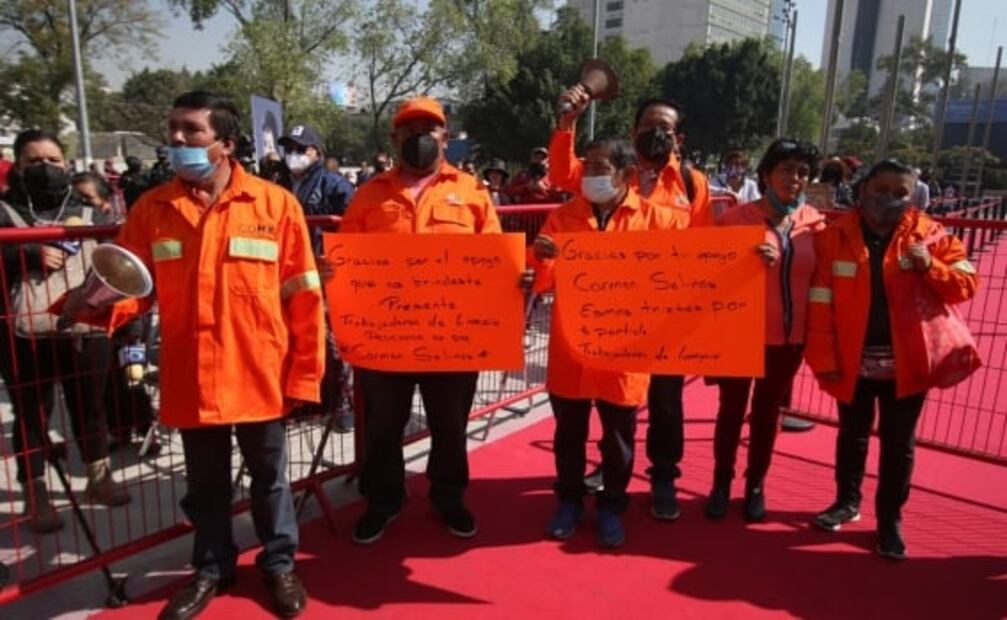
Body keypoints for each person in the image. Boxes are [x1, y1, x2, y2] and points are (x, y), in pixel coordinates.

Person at [62, 91, 324, 618]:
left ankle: (278, 565)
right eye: (173, 129)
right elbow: (130, 285)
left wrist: (304, 377)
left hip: (259, 376)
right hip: (191, 376)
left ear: (226, 144)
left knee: (270, 480)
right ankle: (211, 569)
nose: (177, 139)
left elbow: (304, 297)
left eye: (191, 130)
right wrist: (88, 305)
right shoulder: (152, 209)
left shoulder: (276, 207)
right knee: (205, 485)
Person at [339, 96, 502, 545]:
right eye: (410, 131)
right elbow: (347, 260)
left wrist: (519, 273)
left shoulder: (471, 192)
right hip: (384, 341)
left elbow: (493, 259)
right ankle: (384, 500)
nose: (420, 138)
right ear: (395, 139)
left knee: (450, 426)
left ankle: (449, 496)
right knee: (383, 427)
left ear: (446, 137)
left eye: (429, 130)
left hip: (453, 340)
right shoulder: (370, 194)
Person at [805, 159, 978, 560]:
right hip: (852, 362)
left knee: (899, 445)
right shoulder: (835, 237)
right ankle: (846, 503)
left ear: (912, 195)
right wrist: (823, 357)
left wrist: (929, 265)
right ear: (863, 189)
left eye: (900, 192)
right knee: (852, 436)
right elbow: (820, 301)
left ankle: (889, 522)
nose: (889, 198)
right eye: (881, 189)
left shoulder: (930, 234)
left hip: (908, 364)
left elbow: (967, 283)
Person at [551, 90, 712, 520]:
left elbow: (705, 249)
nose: (656, 135)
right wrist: (567, 124)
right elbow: (563, 172)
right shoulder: (608, 171)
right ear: (632, 132)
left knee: (666, 402)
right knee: (614, 404)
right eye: (647, 127)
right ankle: (607, 472)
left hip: (665, 319)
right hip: (610, 322)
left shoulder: (693, 185)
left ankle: (663, 478)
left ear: (679, 137)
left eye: (666, 129)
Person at [528, 138, 688, 547]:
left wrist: (751, 259)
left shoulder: (660, 220)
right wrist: (541, 258)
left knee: (619, 442)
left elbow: (693, 272)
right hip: (571, 351)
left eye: (600, 168)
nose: (591, 175)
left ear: (625, 174)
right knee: (569, 437)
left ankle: (613, 506)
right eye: (588, 167)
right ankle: (568, 501)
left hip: (625, 355)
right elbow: (542, 284)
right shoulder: (562, 218)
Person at [0, 130, 129, 534]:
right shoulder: (5, 211)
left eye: (53, 160)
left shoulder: (89, 210)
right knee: (32, 415)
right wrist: (26, 253)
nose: (45, 167)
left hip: (84, 327)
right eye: (33, 161)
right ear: (17, 167)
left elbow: (116, 260)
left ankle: (98, 475)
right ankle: (35, 488)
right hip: (23, 331)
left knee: (90, 406)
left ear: (67, 164)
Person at [705, 138, 825, 521]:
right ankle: (721, 482)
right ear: (766, 174)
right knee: (731, 412)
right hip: (740, 334)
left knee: (768, 413)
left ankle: (755, 484)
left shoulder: (814, 222)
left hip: (789, 339)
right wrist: (744, 263)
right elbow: (708, 276)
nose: (795, 178)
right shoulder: (734, 220)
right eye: (787, 169)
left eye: (803, 172)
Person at [278, 124, 356, 431]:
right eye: (289, 148)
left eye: (301, 149)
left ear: (317, 153)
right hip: (290, 275)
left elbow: (350, 228)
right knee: (299, 338)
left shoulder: (335, 185)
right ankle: (305, 402)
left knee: (331, 342)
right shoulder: (280, 184)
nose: (293, 155)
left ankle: (341, 404)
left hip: (324, 275)